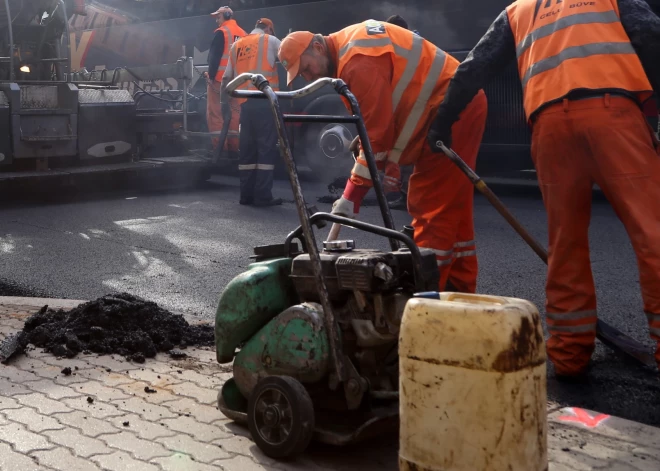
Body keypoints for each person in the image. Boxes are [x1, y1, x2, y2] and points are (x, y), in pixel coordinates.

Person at [427, 0, 660, 378]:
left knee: (565, 243)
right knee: (652, 233)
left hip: (550, 126)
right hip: (613, 113)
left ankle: (569, 353)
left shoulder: (519, 10)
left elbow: (475, 65)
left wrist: (443, 120)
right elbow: (650, 36)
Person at [278, 20, 488, 293]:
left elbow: (376, 138)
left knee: (430, 208)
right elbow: (388, 114)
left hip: (451, 112)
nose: (308, 77)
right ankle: (459, 294)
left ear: (317, 47)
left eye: (306, 68)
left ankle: (424, 301)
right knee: (453, 212)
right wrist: (384, 156)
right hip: (451, 107)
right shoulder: (349, 49)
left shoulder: (357, 61)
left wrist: (350, 197)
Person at [221, 18, 283, 206]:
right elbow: (289, 59)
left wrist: (225, 103)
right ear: (268, 29)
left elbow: (226, 79)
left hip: (245, 104)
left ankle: (246, 196)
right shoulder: (271, 41)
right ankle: (263, 196)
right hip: (265, 102)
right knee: (265, 149)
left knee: (247, 150)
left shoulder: (236, 46)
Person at [204, 6, 246, 152]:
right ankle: (235, 148)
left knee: (216, 113)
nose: (216, 20)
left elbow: (214, 58)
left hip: (219, 81)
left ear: (227, 15)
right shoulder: (243, 34)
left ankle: (220, 149)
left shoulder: (222, 32)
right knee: (235, 114)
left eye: (218, 16)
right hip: (238, 82)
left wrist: (210, 76)